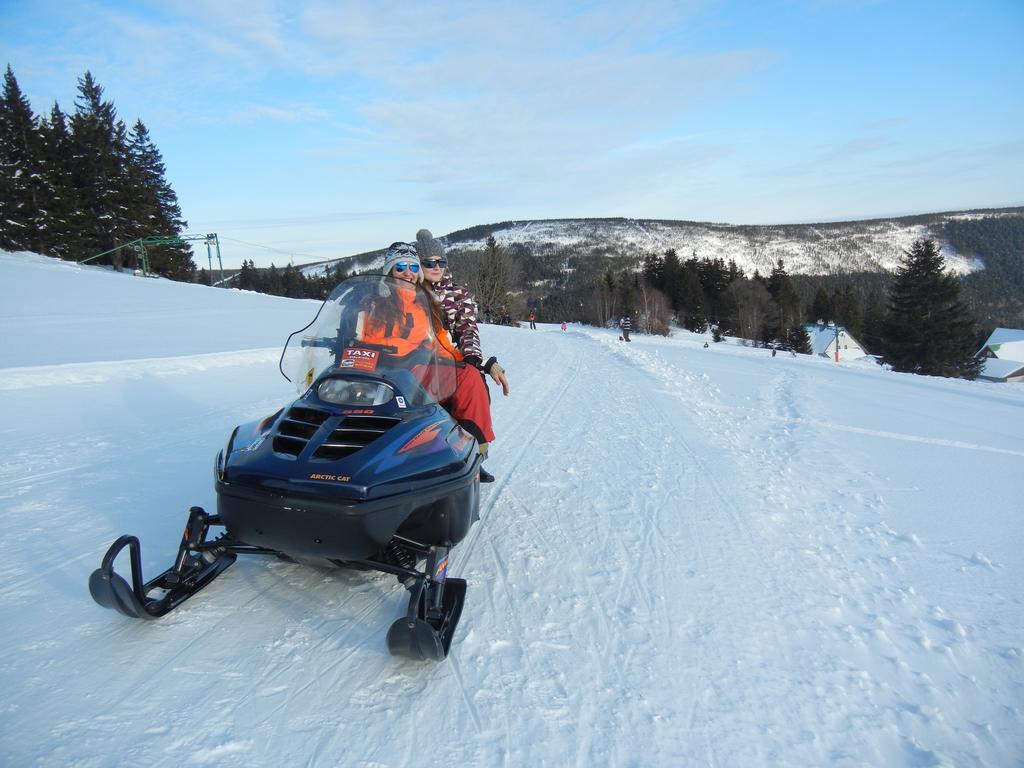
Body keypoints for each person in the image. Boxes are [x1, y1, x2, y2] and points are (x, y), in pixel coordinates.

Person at [372, 242, 496, 472]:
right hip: (382, 370)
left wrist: (476, 361)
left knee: (471, 379)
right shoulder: (374, 301)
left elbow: (455, 336)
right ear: (389, 270)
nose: (407, 272)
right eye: (400, 267)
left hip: (416, 368)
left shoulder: (425, 301)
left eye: (412, 266)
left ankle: (472, 449)